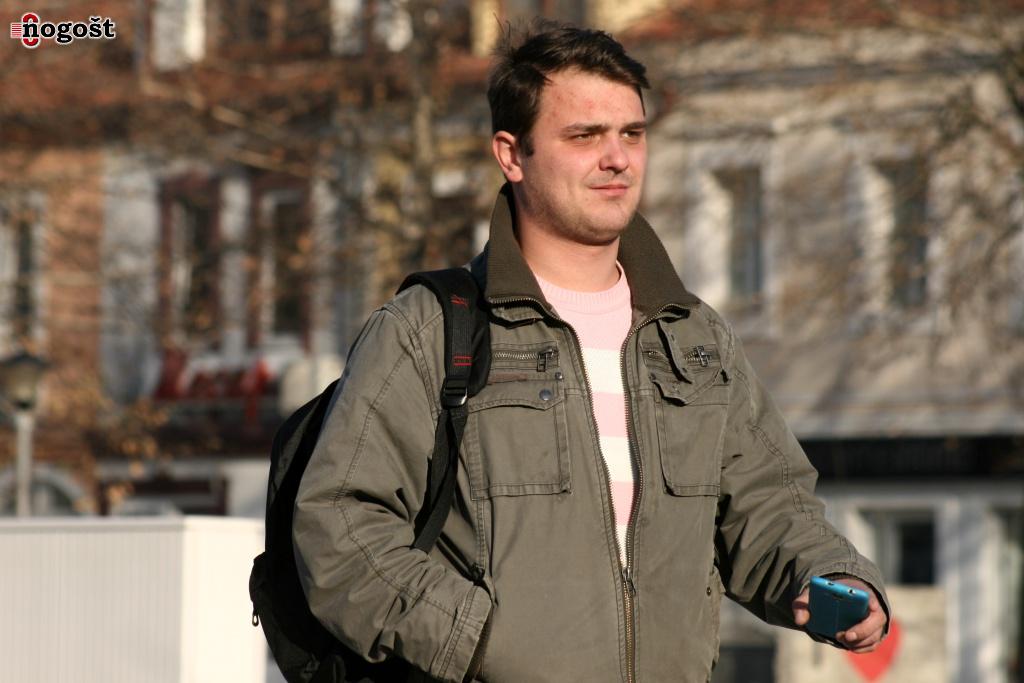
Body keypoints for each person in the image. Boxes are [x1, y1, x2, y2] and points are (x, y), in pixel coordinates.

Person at [293, 20, 890, 683]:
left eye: (632, 134)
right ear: (512, 155)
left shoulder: (695, 338)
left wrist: (832, 575)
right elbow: (338, 524)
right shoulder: (428, 329)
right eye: (585, 136)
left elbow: (769, 507)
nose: (618, 158)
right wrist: (474, 639)